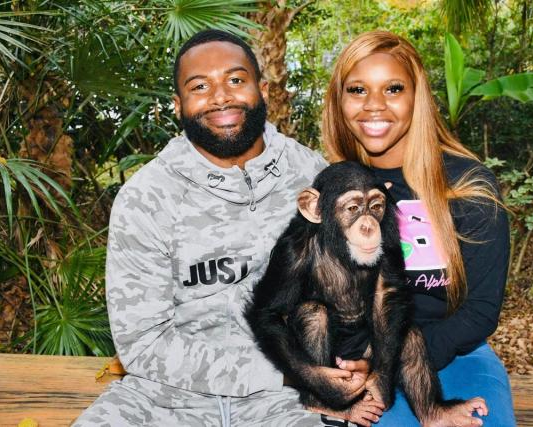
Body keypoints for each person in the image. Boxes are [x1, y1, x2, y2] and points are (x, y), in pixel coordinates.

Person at [72, 29, 359, 427]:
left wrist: (347, 364)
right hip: (164, 397)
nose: (221, 96)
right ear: (178, 105)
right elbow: (144, 344)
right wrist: (282, 370)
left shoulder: (312, 177)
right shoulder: (146, 197)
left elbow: (349, 292)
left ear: (262, 88)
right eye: (200, 86)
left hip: (288, 400)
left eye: (236, 80)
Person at [322, 30, 516, 426]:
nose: (374, 106)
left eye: (393, 88)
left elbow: (480, 311)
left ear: (417, 97)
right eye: (357, 89)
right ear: (339, 102)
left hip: (457, 351)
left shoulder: (467, 183)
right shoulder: (334, 189)